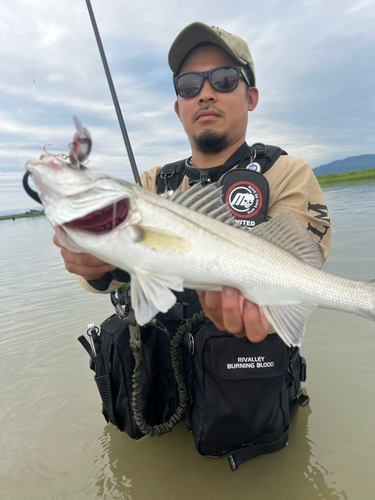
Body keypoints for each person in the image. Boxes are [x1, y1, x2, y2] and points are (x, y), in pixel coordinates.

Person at [53, 22, 331, 342]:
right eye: (189, 86)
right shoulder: (149, 185)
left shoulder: (287, 173)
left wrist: (264, 312)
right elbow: (94, 281)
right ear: (178, 107)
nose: (205, 94)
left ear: (251, 97)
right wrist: (100, 266)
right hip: (161, 387)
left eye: (224, 80)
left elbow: (302, 275)